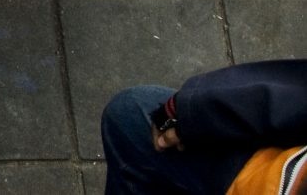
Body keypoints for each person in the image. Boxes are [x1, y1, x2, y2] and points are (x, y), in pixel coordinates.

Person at [102, 60, 307, 194]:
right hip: (259, 172)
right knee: (130, 115)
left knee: (130, 118)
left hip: (260, 175)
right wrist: (198, 113)